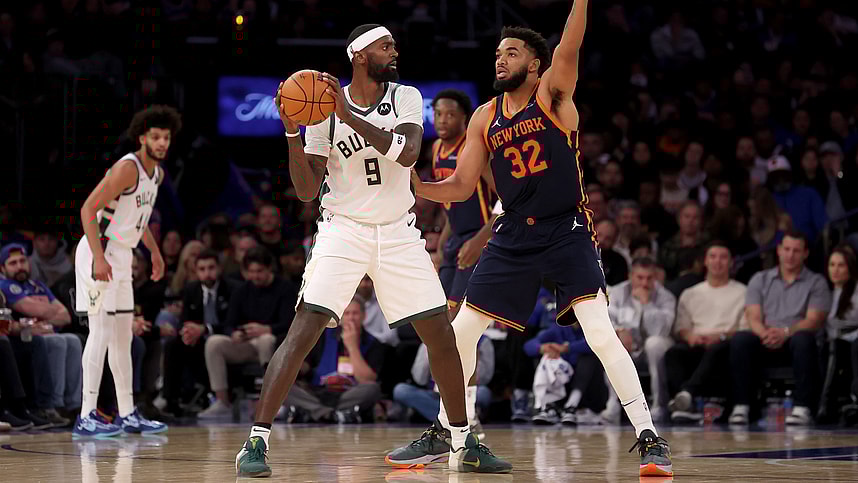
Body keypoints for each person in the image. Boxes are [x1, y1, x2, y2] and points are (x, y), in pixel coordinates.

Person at [399, 3, 672, 477]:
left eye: (511, 53)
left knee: (600, 332)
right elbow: (462, 186)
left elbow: (571, 42)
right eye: (497, 53)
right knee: (460, 334)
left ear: (534, 64)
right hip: (512, 233)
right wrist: (415, 185)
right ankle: (451, 433)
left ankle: (649, 437)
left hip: (566, 228)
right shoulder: (485, 117)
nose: (500, 60)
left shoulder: (553, 94)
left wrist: (581, 3)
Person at [234, 24, 510, 477]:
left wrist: (347, 113)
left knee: (440, 333)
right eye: (385, 46)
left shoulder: (404, 96)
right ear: (360, 55)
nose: (394, 50)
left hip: (399, 232)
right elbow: (306, 190)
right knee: (303, 330)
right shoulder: (322, 110)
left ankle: (463, 442)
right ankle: (256, 443)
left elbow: (405, 153)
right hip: (343, 230)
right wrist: (291, 134)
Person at [72, 105, 180, 438]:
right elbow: (88, 208)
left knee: (122, 337)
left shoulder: (158, 174)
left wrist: (154, 251)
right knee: (100, 332)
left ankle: (128, 413)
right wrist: (100, 258)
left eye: (167, 138)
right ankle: (86, 414)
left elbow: (139, 217)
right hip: (98, 251)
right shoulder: (128, 168)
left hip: (122, 256)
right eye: (156, 137)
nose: (162, 143)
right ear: (142, 138)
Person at [728, 231, 831, 426]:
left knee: (803, 338)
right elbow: (753, 316)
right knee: (741, 339)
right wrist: (765, 333)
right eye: (787, 249)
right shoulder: (760, 279)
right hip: (765, 338)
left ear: (805, 254)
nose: (790, 255)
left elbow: (814, 320)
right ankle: (741, 406)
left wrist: (785, 333)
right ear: (779, 250)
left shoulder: (816, 282)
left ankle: (802, 407)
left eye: (796, 250)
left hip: (796, 341)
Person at [666, 242, 747, 423]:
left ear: (731, 262)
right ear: (705, 261)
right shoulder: (690, 293)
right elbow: (681, 327)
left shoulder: (742, 292)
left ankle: (687, 394)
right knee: (674, 353)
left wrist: (721, 336)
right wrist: (691, 336)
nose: (718, 262)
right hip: (696, 343)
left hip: (726, 343)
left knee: (717, 349)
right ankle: (687, 405)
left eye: (723, 257)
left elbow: (745, 328)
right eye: (713, 256)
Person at [163, 249, 236, 416]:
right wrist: (188, 332)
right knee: (172, 345)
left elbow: (231, 322)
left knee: (213, 344)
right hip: (198, 341)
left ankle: (218, 399)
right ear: (196, 271)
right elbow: (184, 319)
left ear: (219, 268)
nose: (207, 273)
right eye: (202, 269)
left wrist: (205, 329)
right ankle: (171, 401)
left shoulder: (232, 288)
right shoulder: (191, 289)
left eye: (211, 268)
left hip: (224, 341)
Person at [605, 257, 676, 423]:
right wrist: (619, 330)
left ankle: (659, 405)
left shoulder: (666, 297)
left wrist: (647, 304)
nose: (644, 283)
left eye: (649, 278)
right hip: (628, 349)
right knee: (613, 342)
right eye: (640, 277)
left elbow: (661, 330)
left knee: (654, 343)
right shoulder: (617, 293)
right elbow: (607, 320)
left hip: (653, 350)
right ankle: (613, 404)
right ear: (631, 276)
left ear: (655, 277)